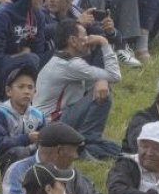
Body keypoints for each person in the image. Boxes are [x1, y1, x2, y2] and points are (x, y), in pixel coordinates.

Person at [35, 19, 121, 159]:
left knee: (118, 150)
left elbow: (91, 84)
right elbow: (115, 75)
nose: (88, 39)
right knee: (104, 94)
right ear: (73, 41)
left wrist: (100, 80)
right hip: (52, 126)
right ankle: (85, 144)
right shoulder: (70, 65)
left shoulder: (63, 60)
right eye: (85, 35)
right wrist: (104, 42)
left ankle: (90, 144)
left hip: (52, 124)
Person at [0, 65, 47, 172]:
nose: (26, 91)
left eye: (30, 87)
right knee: (21, 152)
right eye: (21, 87)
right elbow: (1, 143)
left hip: (32, 153)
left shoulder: (38, 115)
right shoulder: (2, 112)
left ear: (35, 92)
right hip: (8, 155)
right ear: (9, 91)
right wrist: (27, 138)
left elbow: (44, 139)